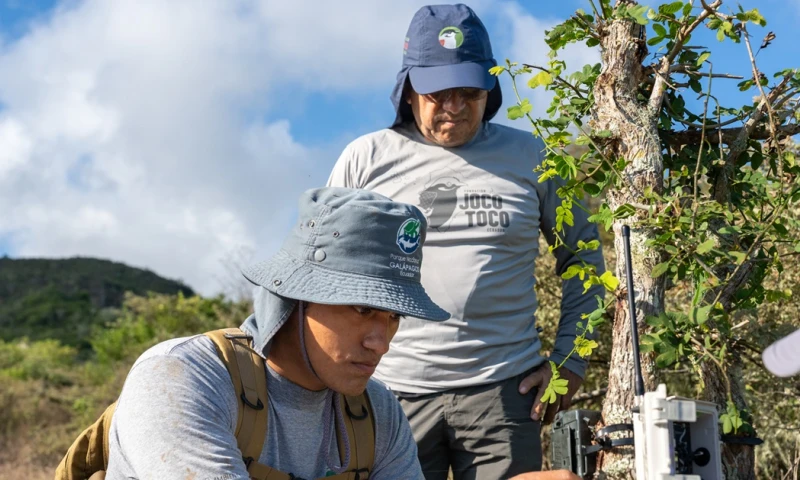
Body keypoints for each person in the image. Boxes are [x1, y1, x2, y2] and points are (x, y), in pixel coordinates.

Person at [327, 4, 606, 479]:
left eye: (469, 91)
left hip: (504, 395)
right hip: (389, 394)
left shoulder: (533, 156)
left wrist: (569, 361)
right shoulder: (365, 160)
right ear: (409, 87)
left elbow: (585, 260)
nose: (455, 106)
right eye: (439, 92)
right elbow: (325, 273)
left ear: (490, 86)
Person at [103, 187, 451, 479]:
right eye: (362, 309)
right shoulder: (184, 377)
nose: (381, 342)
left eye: (394, 316)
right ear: (298, 296)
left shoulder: (377, 412)